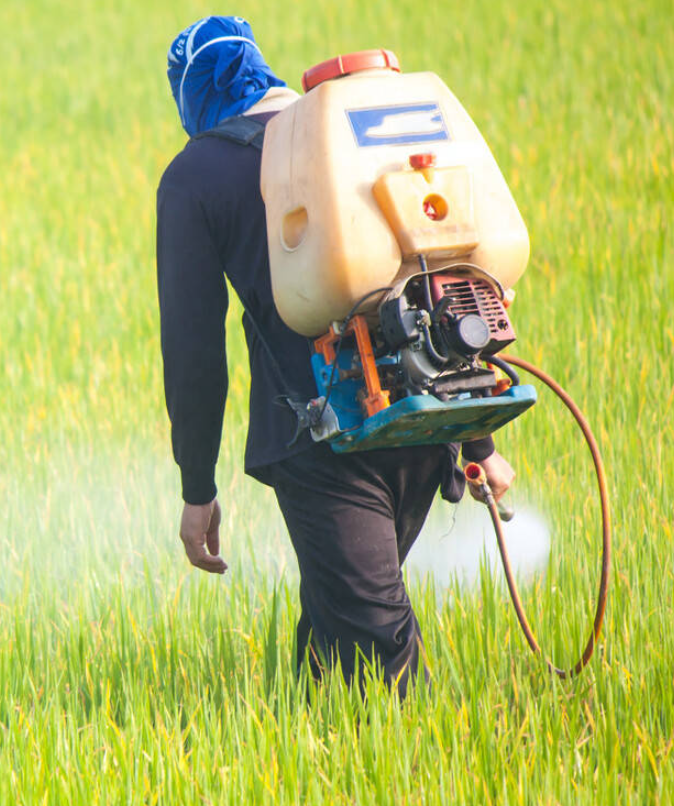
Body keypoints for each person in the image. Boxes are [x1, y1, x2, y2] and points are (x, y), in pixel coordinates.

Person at [156, 16, 515, 696]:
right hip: (425, 416)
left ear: (192, 96)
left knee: (379, 654)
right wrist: (476, 436)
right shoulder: (348, 130)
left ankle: (430, 770)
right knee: (337, 637)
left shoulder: (195, 172)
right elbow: (445, 261)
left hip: (323, 440)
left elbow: (192, 350)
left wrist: (197, 490)